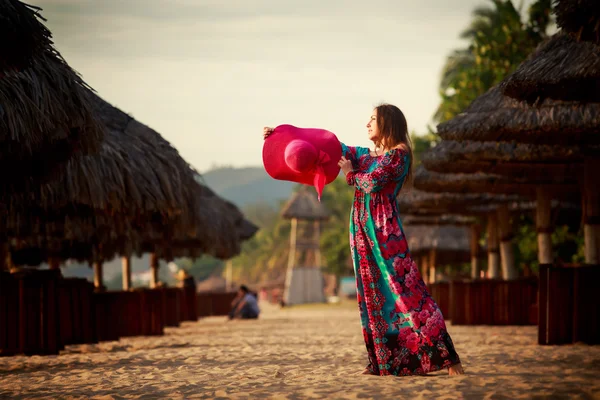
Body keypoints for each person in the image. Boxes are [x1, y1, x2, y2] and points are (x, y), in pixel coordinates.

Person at [263, 104, 464, 377]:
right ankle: (384, 362)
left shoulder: (398, 155)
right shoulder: (364, 155)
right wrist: (280, 136)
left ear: (388, 122)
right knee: (371, 295)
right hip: (360, 231)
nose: (367, 123)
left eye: (373, 119)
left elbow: (372, 183)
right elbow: (332, 147)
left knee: (407, 292)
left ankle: (449, 359)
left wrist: (350, 174)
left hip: (384, 232)